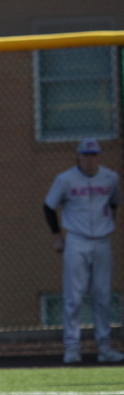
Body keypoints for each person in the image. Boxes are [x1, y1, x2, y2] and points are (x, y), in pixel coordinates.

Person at [44, 137, 124, 364]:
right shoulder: (65, 179)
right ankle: (71, 349)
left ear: (99, 156)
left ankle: (105, 348)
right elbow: (49, 206)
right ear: (78, 156)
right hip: (76, 241)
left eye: (94, 154)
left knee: (103, 296)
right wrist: (58, 237)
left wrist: (108, 226)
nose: (90, 159)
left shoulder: (110, 177)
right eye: (86, 155)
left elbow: (114, 203)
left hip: (102, 241)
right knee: (74, 297)